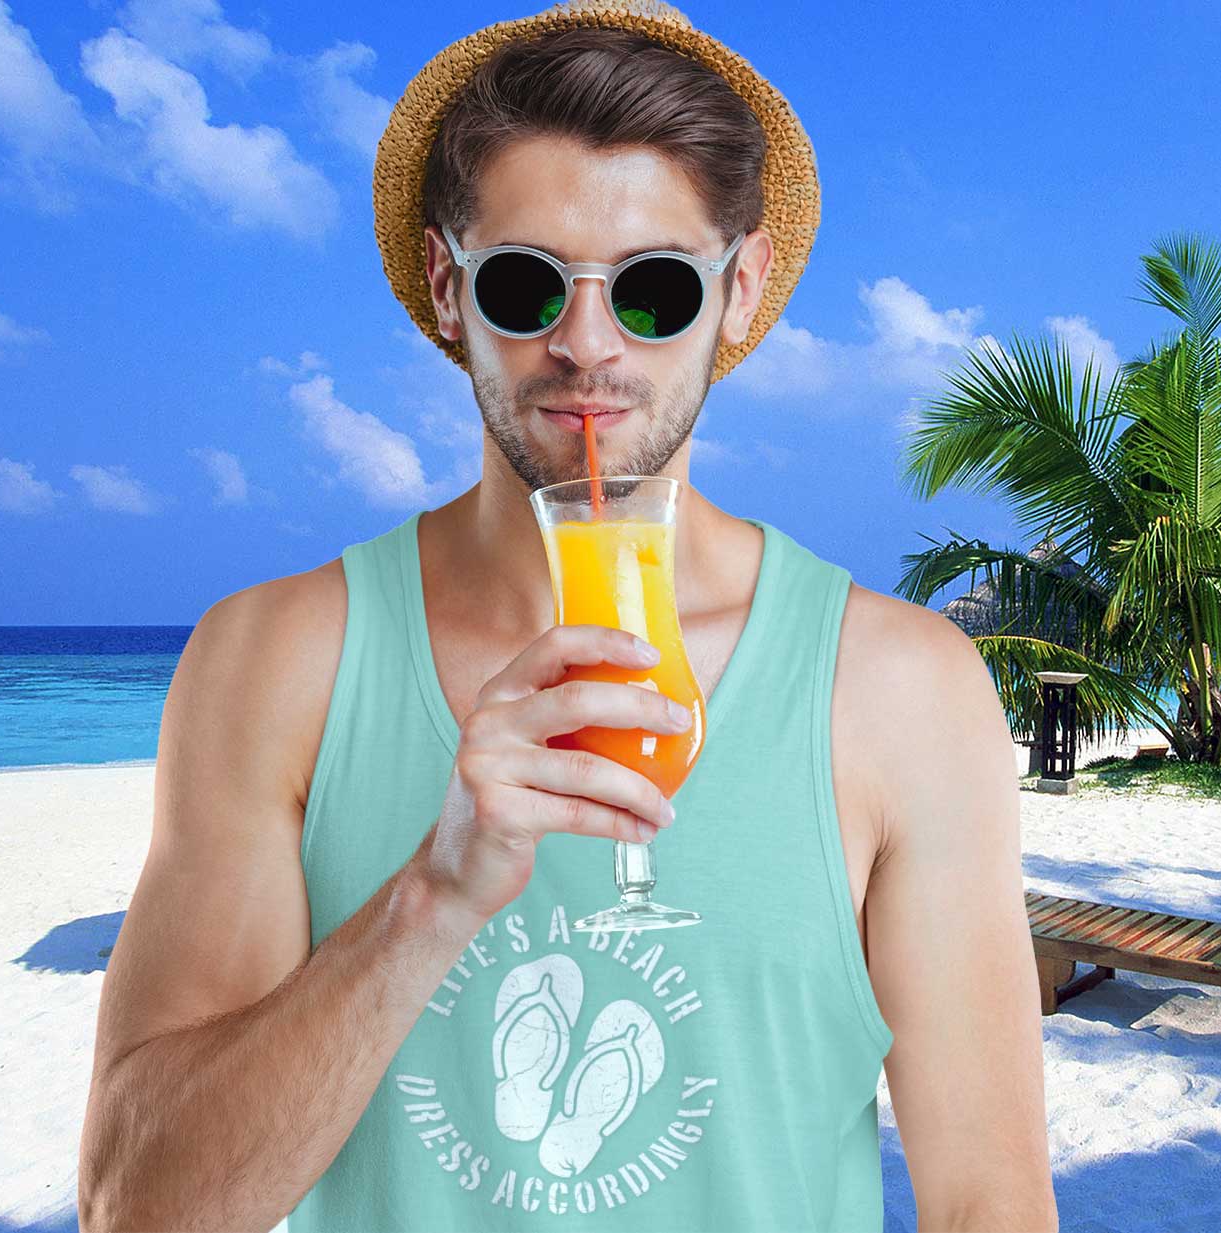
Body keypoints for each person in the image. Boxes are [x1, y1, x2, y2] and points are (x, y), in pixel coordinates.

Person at [78, 4, 1058, 1231]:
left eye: (651, 289)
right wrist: (431, 898)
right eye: (525, 283)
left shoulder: (903, 690)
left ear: (738, 291)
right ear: (449, 288)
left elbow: (990, 1204)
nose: (584, 344)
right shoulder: (278, 660)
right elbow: (134, 1208)